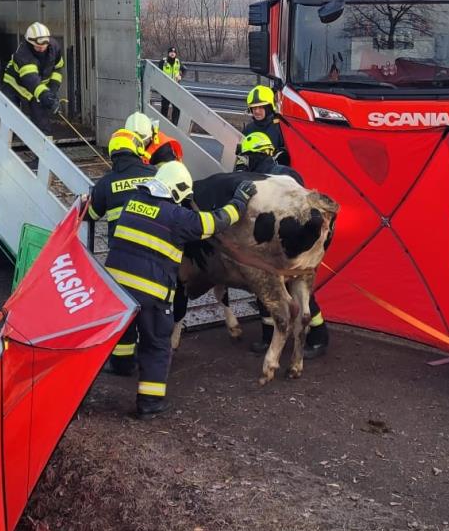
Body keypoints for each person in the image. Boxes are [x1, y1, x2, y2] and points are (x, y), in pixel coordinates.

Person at [104, 160, 254, 418]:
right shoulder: (176, 217)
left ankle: (121, 363)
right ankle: (150, 403)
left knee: (125, 330)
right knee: (156, 345)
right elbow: (213, 222)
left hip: (117, 287)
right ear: (175, 190)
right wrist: (239, 201)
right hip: (151, 292)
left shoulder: (132, 202)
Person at [235, 131, 329, 357]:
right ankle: (305, 336)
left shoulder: (263, 178)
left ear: (252, 155)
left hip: (280, 243)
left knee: (282, 289)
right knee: (295, 287)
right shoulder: (286, 172)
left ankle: (315, 337)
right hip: (298, 238)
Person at [86, 124, 158, 377]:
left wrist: (92, 196)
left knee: (125, 309)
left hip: (123, 259)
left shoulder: (106, 183)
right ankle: (153, 364)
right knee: (154, 314)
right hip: (158, 254)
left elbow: (92, 215)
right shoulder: (156, 174)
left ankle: (123, 364)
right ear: (137, 150)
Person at [1, 21, 64, 131]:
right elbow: (31, 80)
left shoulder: (54, 47)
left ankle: (44, 146)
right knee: (10, 120)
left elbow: (58, 68)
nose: (41, 49)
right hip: (15, 86)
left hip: (38, 88)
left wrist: (52, 91)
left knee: (42, 123)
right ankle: (7, 146)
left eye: (44, 46)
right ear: (30, 43)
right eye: (38, 47)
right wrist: (45, 94)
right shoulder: (23, 54)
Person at [243, 84, 288, 166]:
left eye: (260, 107)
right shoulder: (248, 129)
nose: (256, 111)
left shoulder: (280, 127)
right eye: (254, 108)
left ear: (269, 108)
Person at [159, 46, 183, 124]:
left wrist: (180, 75)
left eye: (174, 52)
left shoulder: (177, 61)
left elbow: (183, 69)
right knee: (165, 106)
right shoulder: (163, 62)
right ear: (168, 53)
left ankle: (174, 124)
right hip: (166, 87)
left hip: (175, 87)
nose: (172, 54)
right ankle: (163, 124)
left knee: (176, 107)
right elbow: (158, 72)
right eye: (171, 52)